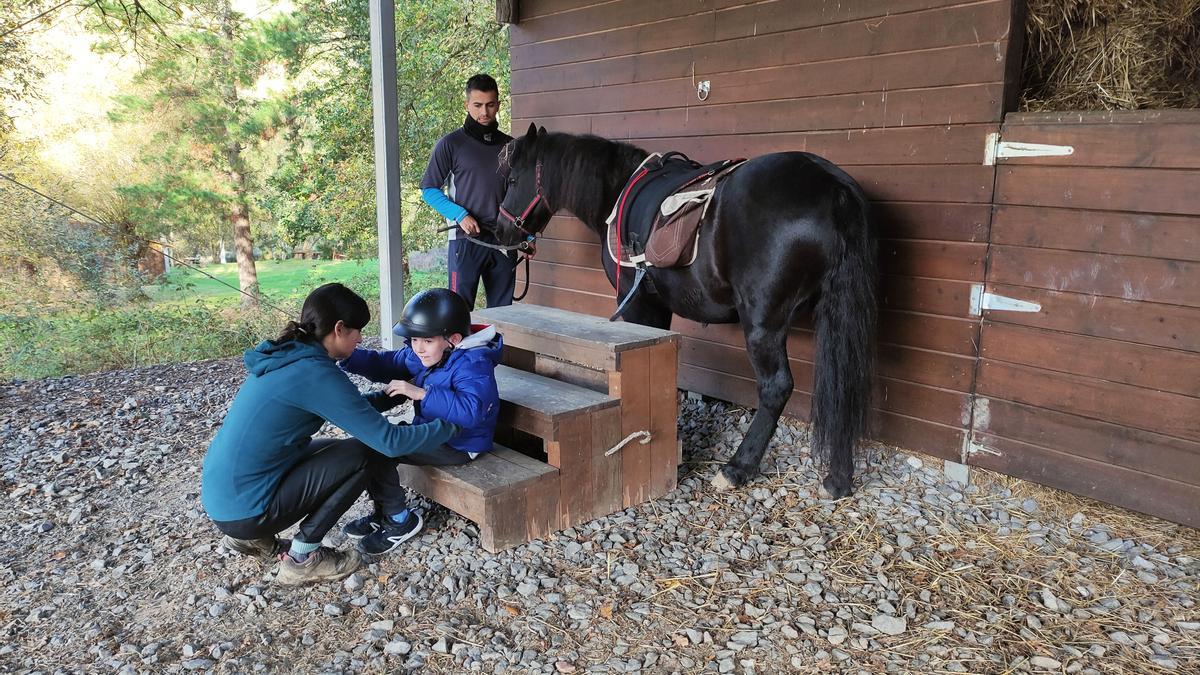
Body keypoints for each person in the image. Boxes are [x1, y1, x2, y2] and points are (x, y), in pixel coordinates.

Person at [200, 283, 459, 586]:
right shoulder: (317, 374)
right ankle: (302, 559)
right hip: (246, 508)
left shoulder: (291, 357)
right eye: (357, 330)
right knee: (365, 453)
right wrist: (452, 424)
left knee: (338, 451)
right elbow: (389, 443)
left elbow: (349, 408)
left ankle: (253, 540)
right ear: (339, 328)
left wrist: (391, 396)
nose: (361, 338)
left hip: (226, 496)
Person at [338, 288, 503, 553]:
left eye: (425, 341)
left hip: (459, 444)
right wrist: (347, 355)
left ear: (454, 339)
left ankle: (399, 520)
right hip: (432, 433)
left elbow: (473, 411)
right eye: (414, 340)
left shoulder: (473, 363)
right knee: (374, 442)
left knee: (380, 448)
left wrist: (420, 393)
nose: (418, 348)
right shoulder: (430, 353)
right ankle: (383, 513)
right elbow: (387, 363)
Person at [421, 73, 517, 309]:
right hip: (465, 241)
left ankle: (497, 349)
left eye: (490, 105)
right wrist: (460, 215)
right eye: (477, 105)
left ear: (498, 105)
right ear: (467, 105)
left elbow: (520, 194)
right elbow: (429, 189)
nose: (484, 112)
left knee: (504, 314)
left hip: (504, 241)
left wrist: (527, 236)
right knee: (458, 313)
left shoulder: (511, 146)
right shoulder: (451, 144)